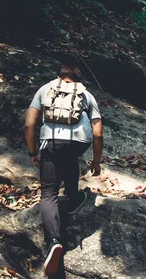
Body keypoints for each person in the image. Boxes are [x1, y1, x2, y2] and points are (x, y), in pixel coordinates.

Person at [24, 65, 103, 276]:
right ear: (78, 79)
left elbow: (29, 125)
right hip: (77, 144)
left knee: (48, 194)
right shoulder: (86, 95)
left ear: (59, 77)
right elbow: (97, 133)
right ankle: (73, 197)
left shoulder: (45, 90)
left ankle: (54, 241)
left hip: (50, 143)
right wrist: (96, 161)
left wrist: (33, 152)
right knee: (70, 156)